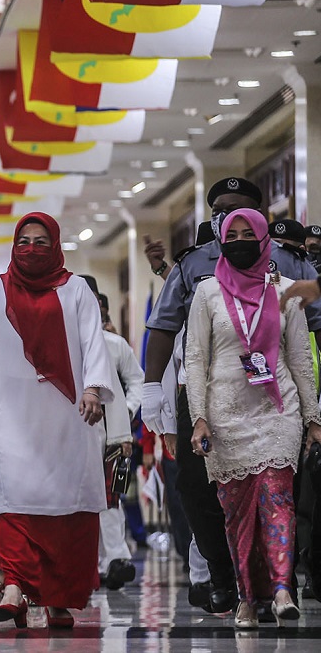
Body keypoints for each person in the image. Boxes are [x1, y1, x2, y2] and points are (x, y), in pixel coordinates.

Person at [142, 176, 321, 614]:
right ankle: (225, 576)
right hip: (208, 395)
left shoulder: (289, 264)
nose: (230, 222)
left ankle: (280, 585)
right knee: (200, 492)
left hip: (275, 400)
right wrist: (152, 389)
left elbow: (311, 328)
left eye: (239, 211)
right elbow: (166, 326)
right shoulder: (195, 264)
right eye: (221, 211)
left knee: (280, 493)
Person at [0, 212, 112, 630]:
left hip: (68, 420)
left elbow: (95, 343)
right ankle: (15, 587)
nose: (32, 249)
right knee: (12, 499)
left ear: (56, 245)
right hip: (11, 418)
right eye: (24, 240)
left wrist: (93, 388)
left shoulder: (76, 291)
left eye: (42, 241)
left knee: (65, 506)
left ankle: (58, 600)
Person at [186, 209, 321, 629]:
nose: (241, 240)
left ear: (265, 240)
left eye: (250, 234)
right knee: (238, 515)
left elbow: (300, 358)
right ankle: (247, 597)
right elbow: (195, 359)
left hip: (278, 410)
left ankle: (282, 588)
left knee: (279, 499)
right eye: (233, 234)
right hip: (226, 414)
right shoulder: (207, 293)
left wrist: (314, 418)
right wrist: (198, 418)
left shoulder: (286, 291)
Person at [81, 276, 144, 591]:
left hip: (110, 435)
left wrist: (126, 412)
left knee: (109, 497)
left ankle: (116, 559)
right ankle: (84, 564)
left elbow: (137, 382)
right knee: (75, 500)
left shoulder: (115, 345)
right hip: (69, 435)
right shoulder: (57, 343)